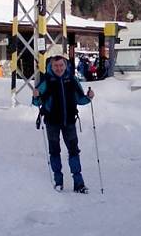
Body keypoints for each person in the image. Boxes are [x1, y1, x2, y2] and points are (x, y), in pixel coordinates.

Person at [32, 54, 95, 193]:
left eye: (61, 65)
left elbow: (80, 99)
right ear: (51, 66)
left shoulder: (72, 79)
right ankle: (58, 181)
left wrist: (89, 97)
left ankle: (79, 184)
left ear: (66, 66)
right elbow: (36, 102)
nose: (59, 68)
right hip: (52, 123)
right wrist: (35, 95)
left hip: (69, 122)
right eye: (56, 66)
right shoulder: (46, 81)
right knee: (54, 152)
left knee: (73, 151)